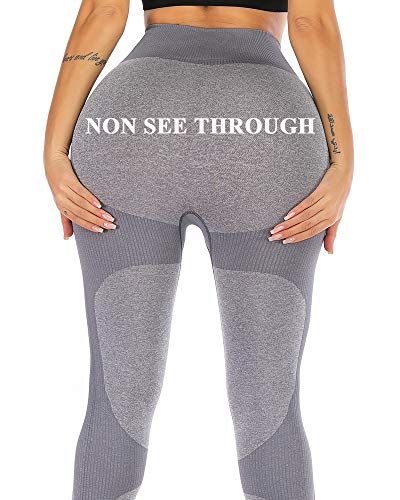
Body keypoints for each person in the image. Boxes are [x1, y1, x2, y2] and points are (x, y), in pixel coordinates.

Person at [44, 0, 353, 499]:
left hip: (132, 121)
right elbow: (309, 23)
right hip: (267, 124)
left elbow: (102, 14)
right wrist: (342, 162)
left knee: (119, 392)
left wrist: (55, 152)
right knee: (267, 402)